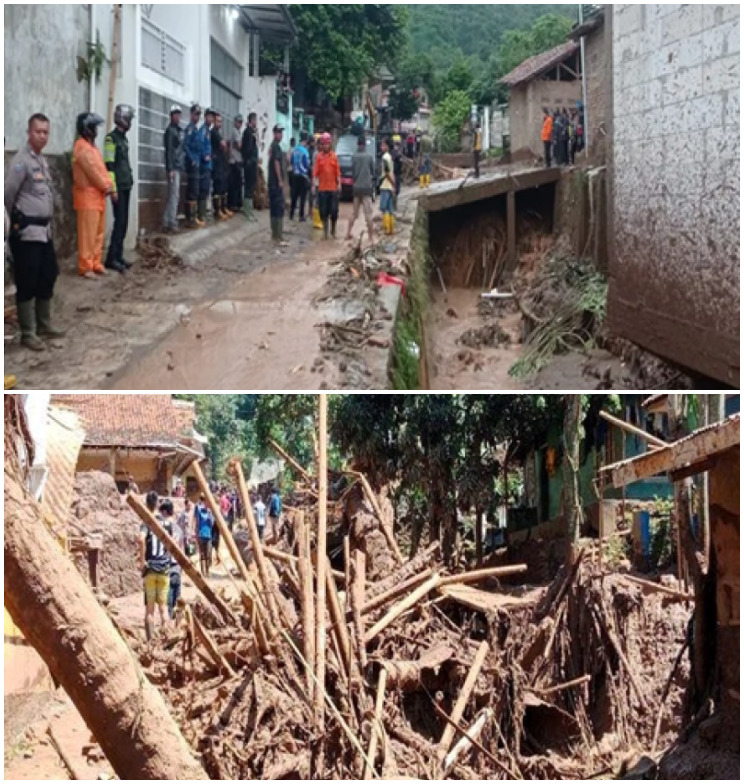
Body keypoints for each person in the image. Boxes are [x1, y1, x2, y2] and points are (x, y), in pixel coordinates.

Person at [5, 113, 65, 351]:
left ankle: (43, 324)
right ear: (29, 133)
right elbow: (7, 195)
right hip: (27, 232)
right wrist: (12, 226)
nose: (43, 136)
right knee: (27, 280)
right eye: (38, 131)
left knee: (48, 274)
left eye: (46, 132)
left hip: (44, 232)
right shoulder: (21, 162)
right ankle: (27, 332)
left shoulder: (41, 161)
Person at [72, 112, 114, 281]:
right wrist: (107, 186)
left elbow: (101, 170)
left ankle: (96, 263)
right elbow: (93, 171)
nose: (96, 130)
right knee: (87, 235)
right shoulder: (81, 147)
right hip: (87, 196)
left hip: (98, 196)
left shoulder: (92, 148)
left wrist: (108, 186)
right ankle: (85, 266)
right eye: (94, 127)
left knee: (98, 233)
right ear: (87, 128)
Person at [104, 104, 135, 273]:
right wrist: (112, 188)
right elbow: (109, 165)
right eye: (129, 119)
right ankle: (111, 258)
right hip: (118, 187)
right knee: (119, 222)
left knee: (124, 223)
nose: (130, 122)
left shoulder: (123, 138)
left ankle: (119, 255)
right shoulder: (111, 139)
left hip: (126, 185)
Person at [140, 491, 170, 640]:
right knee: (163, 608)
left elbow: (140, 539)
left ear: (146, 504)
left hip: (151, 569)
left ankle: (151, 643)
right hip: (164, 569)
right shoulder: (166, 523)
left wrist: (142, 561)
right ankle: (167, 639)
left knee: (149, 610)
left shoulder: (146, 522)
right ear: (158, 504)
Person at [345, 135, 375, 242]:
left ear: (357, 144)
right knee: (368, 215)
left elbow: (353, 172)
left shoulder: (354, 156)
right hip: (367, 188)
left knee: (354, 213)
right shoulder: (369, 156)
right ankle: (371, 237)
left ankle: (348, 233)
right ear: (365, 144)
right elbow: (372, 172)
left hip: (356, 188)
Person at [157, 499, 182, 621]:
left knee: (169, 602)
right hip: (177, 567)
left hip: (168, 566)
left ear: (165, 512)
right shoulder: (178, 528)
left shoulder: (164, 529)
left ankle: (170, 629)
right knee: (178, 600)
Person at [313, 132, 340, 240]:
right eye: (324, 144)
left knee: (334, 211)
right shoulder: (319, 157)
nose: (325, 146)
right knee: (323, 211)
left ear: (330, 144)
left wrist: (339, 184)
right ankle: (325, 233)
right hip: (322, 189)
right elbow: (315, 173)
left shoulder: (334, 156)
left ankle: (333, 231)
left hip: (333, 188)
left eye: (327, 144)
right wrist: (313, 185)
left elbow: (337, 172)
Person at [163, 105, 184, 233]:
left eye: (178, 114)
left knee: (173, 195)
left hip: (178, 165)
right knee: (174, 195)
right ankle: (172, 221)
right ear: (171, 115)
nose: (177, 116)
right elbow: (169, 151)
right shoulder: (170, 131)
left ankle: (167, 220)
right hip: (174, 167)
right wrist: (170, 168)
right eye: (175, 114)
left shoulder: (178, 130)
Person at [184, 104, 205, 228]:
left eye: (199, 114)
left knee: (195, 190)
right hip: (192, 163)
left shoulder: (196, 129)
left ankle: (194, 216)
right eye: (196, 114)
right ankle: (191, 218)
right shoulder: (190, 129)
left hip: (198, 162)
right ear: (191, 114)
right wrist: (192, 159)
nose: (197, 116)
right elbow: (185, 146)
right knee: (193, 190)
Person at [268, 125, 289, 246]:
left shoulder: (274, 146)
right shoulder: (275, 147)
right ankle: (278, 235)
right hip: (275, 183)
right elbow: (276, 163)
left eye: (281, 132)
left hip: (272, 183)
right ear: (275, 133)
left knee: (274, 208)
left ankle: (275, 235)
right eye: (279, 132)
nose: (280, 135)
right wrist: (280, 180)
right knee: (278, 208)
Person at [210, 111, 230, 221]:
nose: (220, 123)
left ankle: (223, 208)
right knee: (217, 188)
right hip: (216, 165)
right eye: (218, 121)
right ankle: (217, 211)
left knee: (223, 187)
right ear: (214, 122)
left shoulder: (218, 133)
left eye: (221, 121)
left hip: (221, 164)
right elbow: (223, 145)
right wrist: (224, 145)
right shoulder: (214, 133)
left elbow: (224, 146)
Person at [241, 112, 259, 221]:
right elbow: (247, 149)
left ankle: (249, 210)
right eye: (255, 120)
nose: (256, 122)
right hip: (249, 163)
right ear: (251, 120)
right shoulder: (248, 132)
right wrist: (249, 160)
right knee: (249, 186)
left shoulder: (251, 132)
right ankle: (247, 212)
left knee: (251, 186)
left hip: (252, 162)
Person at [290, 133, 310, 222]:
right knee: (302, 197)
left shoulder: (295, 150)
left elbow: (291, 161)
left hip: (295, 175)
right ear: (305, 141)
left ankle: (291, 214)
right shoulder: (305, 151)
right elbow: (306, 164)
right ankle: (301, 216)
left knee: (294, 196)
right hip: (303, 176)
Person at [194, 493, 215, 577]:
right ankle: (203, 572)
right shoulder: (199, 510)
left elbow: (212, 523)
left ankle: (207, 570)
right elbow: (197, 522)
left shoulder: (210, 512)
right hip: (201, 534)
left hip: (208, 535)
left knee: (208, 554)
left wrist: (209, 513)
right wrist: (196, 533)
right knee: (202, 554)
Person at [379, 137, 396, 236]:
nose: (381, 147)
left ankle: (386, 229)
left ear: (387, 146)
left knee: (384, 208)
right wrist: (393, 184)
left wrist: (391, 183)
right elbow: (391, 172)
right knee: (390, 209)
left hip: (385, 185)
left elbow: (386, 172)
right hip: (389, 186)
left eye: (383, 145)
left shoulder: (385, 157)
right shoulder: (390, 157)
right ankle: (391, 229)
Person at [227, 114, 244, 212]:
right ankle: (233, 205)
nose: (240, 124)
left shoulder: (238, 132)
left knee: (237, 184)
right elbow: (239, 145)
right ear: (235, 122)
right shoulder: (235, 132)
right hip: (235, 161)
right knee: (234, 184)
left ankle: (236, 204)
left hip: (237, 160)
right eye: (238, 122)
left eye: (241, 122)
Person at [308, 135, 322, 230]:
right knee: (317, 201)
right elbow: (315, 169)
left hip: (323, 182)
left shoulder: (322, 154)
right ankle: (317, 221)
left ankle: (319, 219)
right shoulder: (316, 155)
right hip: (317, 181)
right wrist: (313, 183)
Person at [287, 137, 296, 214]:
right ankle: (293, 202)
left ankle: (292, 202)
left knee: (292, 187)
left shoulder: (289, 150)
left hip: (290, 170)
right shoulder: (293, 151)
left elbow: (288, 160)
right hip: (292, 171)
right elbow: (290, 161)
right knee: (293, 187)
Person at [392, 140, 403, 208]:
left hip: (397, 173)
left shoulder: (398, 153)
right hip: (395, 173)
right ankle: (394, 205)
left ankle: (395, 204)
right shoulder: (395, 153)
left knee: (397, 189)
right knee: (395, 189)